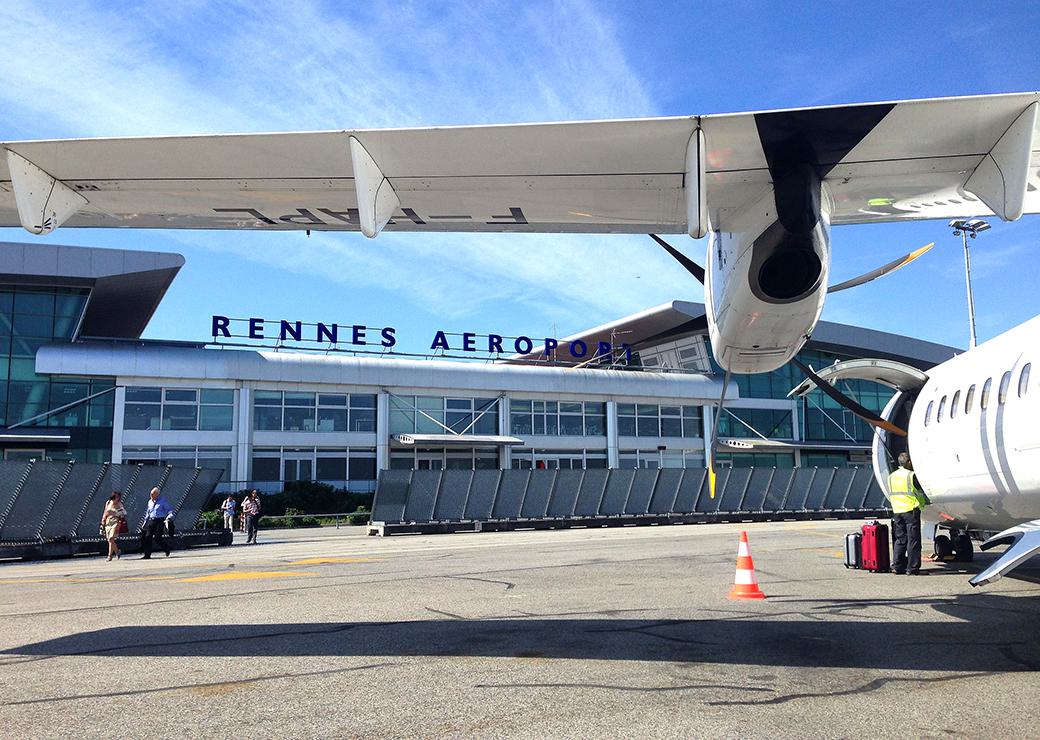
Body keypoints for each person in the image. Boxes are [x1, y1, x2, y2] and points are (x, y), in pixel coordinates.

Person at [888, 452, 929, 575]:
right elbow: (919, 492)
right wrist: (923, 503)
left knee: (900, 539)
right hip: (910, 510)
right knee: (913, 540)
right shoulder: (911, 475)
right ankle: (912, 568)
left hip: (897, 511)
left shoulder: (891, 476)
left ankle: (897, 566)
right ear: (909, 463)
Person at [141, 486, 174, 559]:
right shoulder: (149, 502)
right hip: (151, 521)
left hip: (159, 521)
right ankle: (147, 554)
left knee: (157, 538)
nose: (151, 496)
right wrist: (145, 522)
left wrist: (169, 516)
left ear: (157, 494)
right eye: (151, 494)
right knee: (147, 536)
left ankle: (166, 548)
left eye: (153, 494)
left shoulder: (162, 501)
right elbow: (148, 512)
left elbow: (169, 509)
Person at [100, 491, 126, 562]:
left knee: (111, 538)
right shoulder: (108, 503)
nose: (116, 499)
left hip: (115, 522)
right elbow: (105, 512)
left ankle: (110, 556)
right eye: (115, 497)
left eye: (118, 497)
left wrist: (115, 513)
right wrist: (103, 521)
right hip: (108, 522)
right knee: (109, 540)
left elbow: (123, 513)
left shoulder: (120, 505)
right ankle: (117, 551)